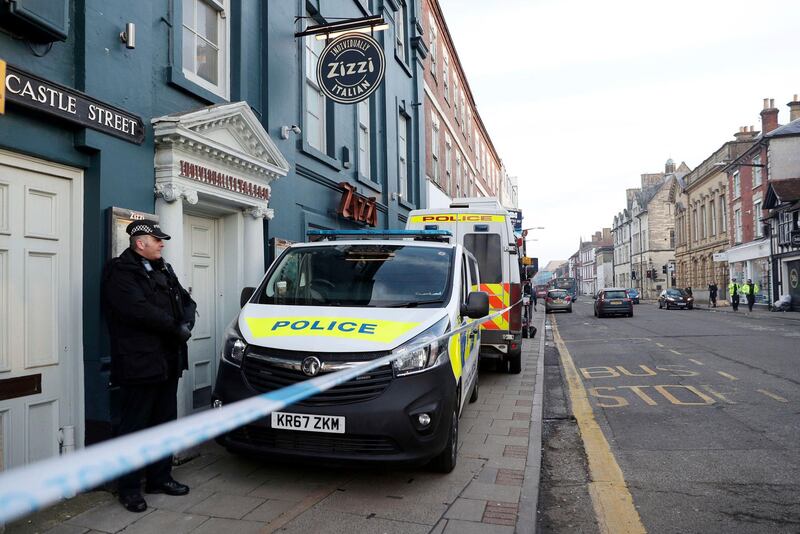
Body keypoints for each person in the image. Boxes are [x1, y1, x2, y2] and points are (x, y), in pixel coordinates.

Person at [102, 220, 196, 513]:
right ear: (140, 242)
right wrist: (175, 327)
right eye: (157, 240)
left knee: (164, 422)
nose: (162, 244)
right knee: (134, 427)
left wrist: (188, 321)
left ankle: (159, 478)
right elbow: (138, 310)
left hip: (168, 361)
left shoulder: (164, 269)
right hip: (139, 363)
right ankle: (128, 488)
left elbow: (186, 300)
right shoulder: (121, 272)